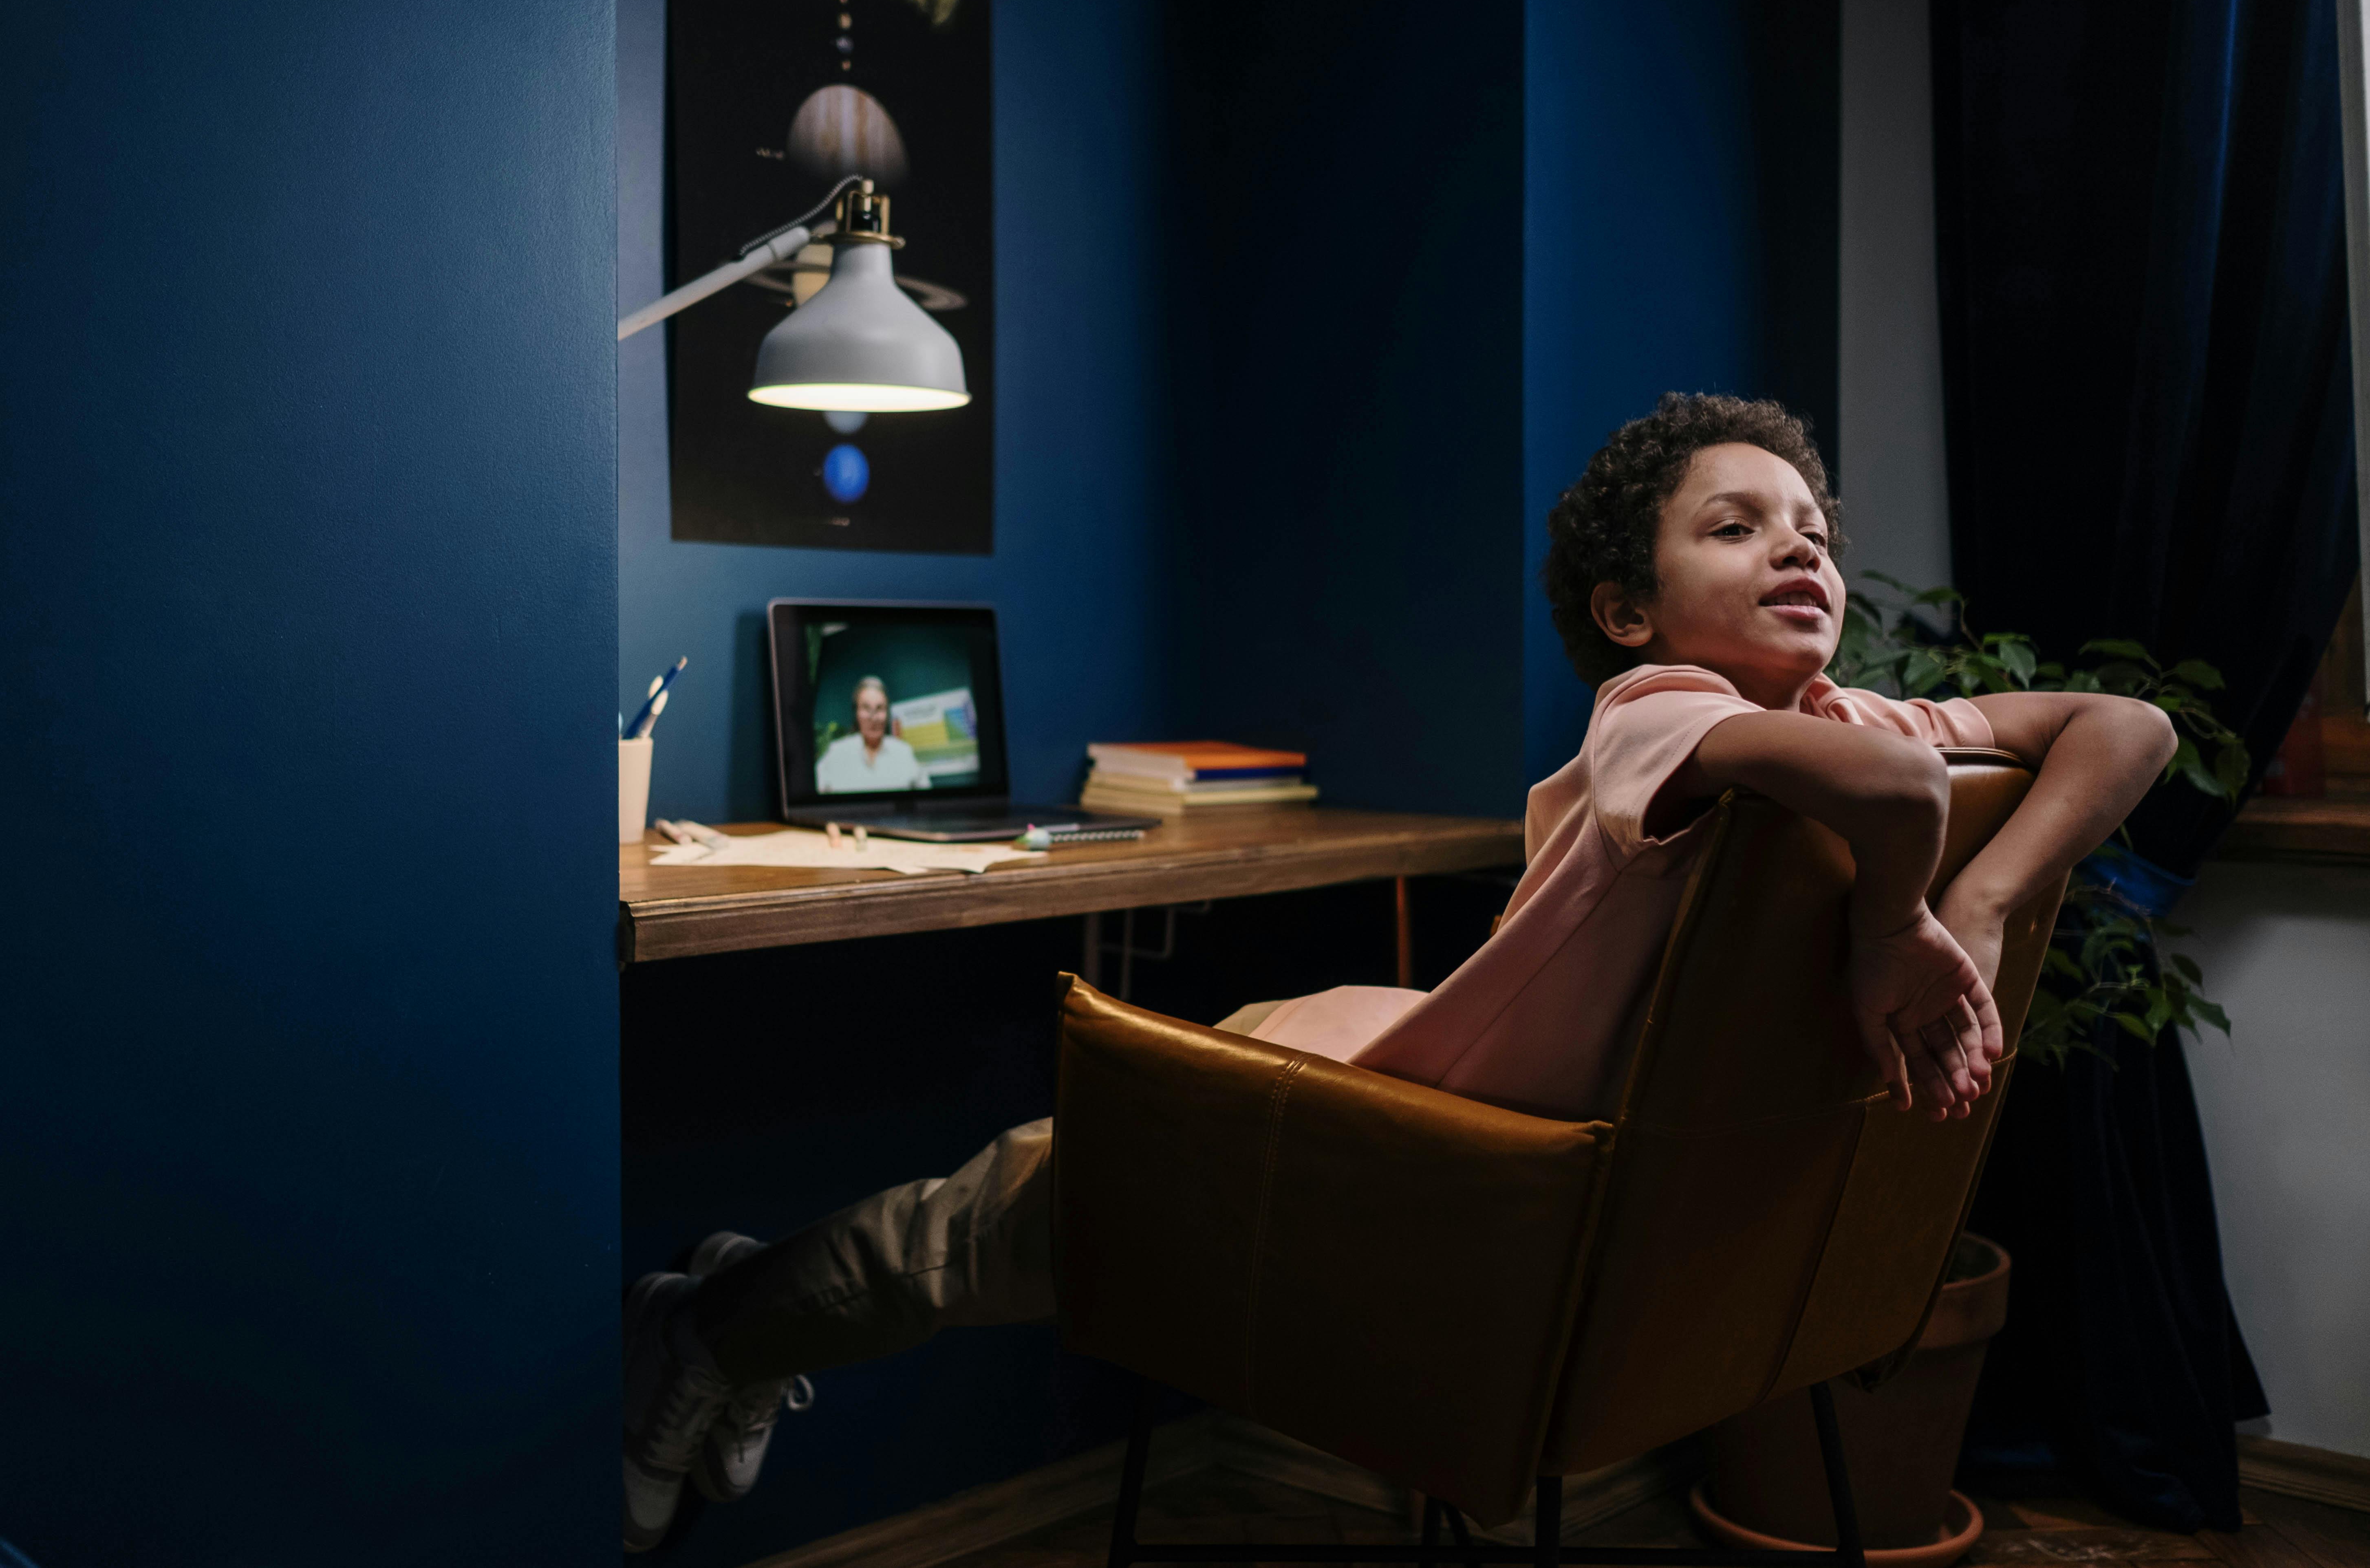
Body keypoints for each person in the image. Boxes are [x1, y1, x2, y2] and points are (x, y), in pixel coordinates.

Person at [622, 393, 2179, 1550]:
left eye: (1812, 533)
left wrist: (1938, 912)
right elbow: (2109, 733)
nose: (1797, 547)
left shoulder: (1686, 718)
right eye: (1737, 524)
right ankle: (733, 1318)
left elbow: (2056, 752)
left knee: (1003, 1211)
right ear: (1626, 611)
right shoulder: (1755, 720)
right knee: (1113, 1130)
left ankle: (714, 1329)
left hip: (1425, 1187)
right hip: (1559, 1213)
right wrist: (1944, 912)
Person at [813, 675, 930, 792]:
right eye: (866, 708)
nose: (874, 718)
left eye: (880, 709)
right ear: (857, 713)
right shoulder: (837, 753)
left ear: (887, 713)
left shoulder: (904, 753)